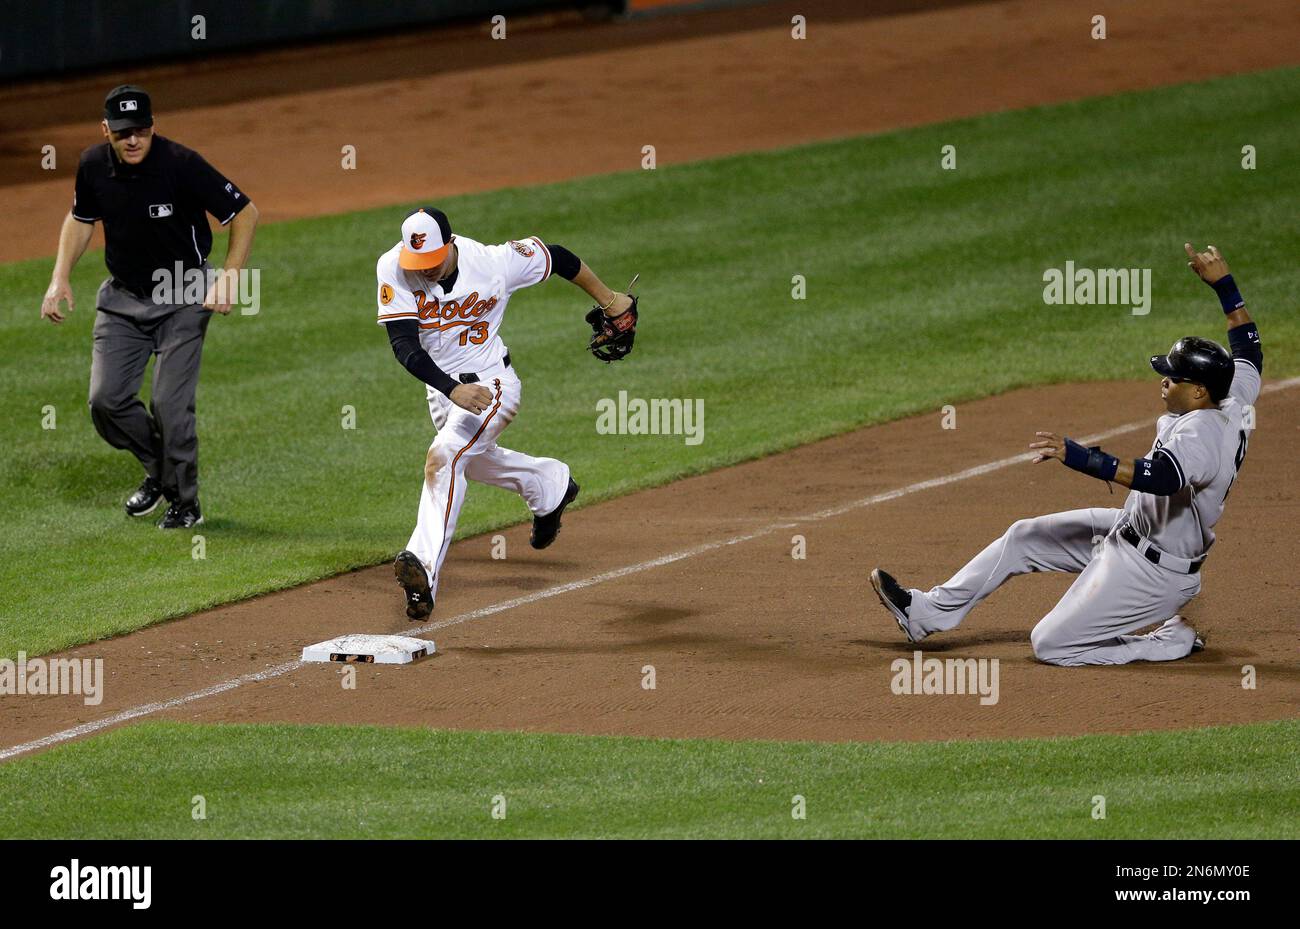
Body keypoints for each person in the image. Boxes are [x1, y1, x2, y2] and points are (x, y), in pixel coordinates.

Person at [869, 243, 1263, 666]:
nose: (1163, 381)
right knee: (1024, 538)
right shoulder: (1231, 399)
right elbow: (1248, 349)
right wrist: (1224, 285)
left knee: (1051, 644)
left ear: (1199, 390)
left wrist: (1080, 457)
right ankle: (925, 613)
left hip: (1154, 572)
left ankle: (1167, 643)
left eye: (1173, 376)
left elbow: (1160, 477)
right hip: (1131, 530)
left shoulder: (1202, 434)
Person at [376, 207, 638, 619]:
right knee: (468, 462)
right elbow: (404, 347)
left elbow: (558, 258)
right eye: (417, 262)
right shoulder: (394, 268)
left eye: (432, 261)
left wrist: (610, 299)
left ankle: (422, 569)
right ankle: (549, 483)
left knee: (444, 457)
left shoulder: (494, 262)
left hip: (493, 384)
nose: (423, 271)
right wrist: (451, 389)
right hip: (447, 392)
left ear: (451, 243)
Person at [40, 84, 259, 528]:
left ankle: (186, 501)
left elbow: (245, 212)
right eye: (122, 133)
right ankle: (159, 471)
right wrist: (59, 275)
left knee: (169, 406)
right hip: (122, 297)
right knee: (106, 401)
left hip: (183, 293)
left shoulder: (181, 164)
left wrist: (229, 278)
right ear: (106, 131)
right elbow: (81, 219)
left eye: (140, 129)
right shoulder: (92, 166)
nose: (133, 140)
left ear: (153, 126)